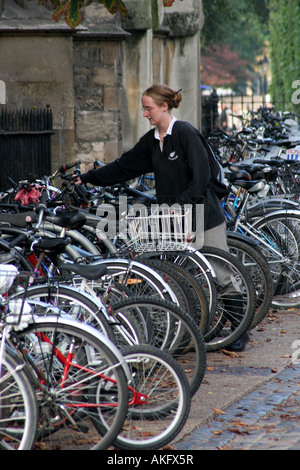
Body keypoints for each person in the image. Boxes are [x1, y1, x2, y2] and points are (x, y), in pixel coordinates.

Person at [74, 84, 249, 351]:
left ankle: (238, 330)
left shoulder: (185, 133)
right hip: (174, 217)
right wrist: (87, 178)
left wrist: (181, 204)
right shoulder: (153, 140)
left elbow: (201, 176)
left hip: (203, 214)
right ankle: (193, 327)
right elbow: (124, 166)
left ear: (164, 107)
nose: (145, 114)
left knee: (221, 273)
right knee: (180, 273)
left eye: (148, 109)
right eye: (143, 109)